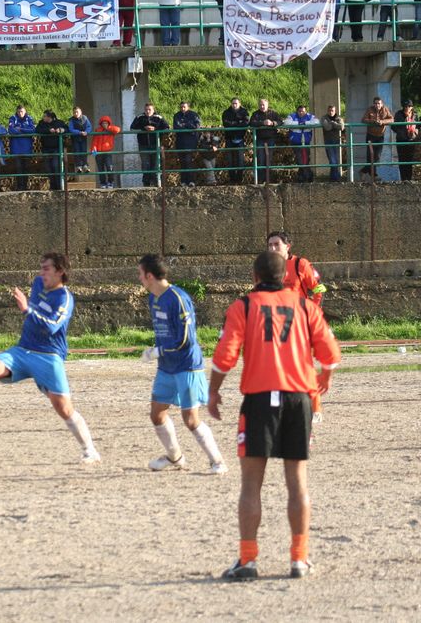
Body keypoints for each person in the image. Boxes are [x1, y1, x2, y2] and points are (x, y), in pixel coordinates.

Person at [208, 251, 340, 581]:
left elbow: (225, 355)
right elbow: (329, 352)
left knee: (251, 485)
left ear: (254, 277)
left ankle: (248, 560)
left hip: (259, 400)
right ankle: (299, 559)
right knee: (297, 482)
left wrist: (213, 391)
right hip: (298, 399)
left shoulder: (243, 306)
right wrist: (325, 376)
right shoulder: (305, 306)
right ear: (286, 277)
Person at [0, 253, 101, 464]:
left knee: (64, 408)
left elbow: (51, 327)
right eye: (41, 268)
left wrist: (27, 309)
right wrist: (29, 309)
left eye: (46, 268)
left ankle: (90, 450)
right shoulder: (38, 283)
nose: (41, 273)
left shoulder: (64, 298)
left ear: (60, 272)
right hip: (22, 351)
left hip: (48, 357)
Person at [137, 255, 226, 474]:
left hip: (187, 365)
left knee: (191, 419)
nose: (139, 278)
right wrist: (158, 351)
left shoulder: (178, 298)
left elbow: (186, 339)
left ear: (149, 276)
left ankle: (217, 461)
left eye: (140, 274)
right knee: (157, 414)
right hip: (166, 366)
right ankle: (174, 457)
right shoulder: (153, 298)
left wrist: (158, 351)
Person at [267, 230, 326, 306]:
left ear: (287, 246)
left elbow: (320, 289)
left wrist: (313, 310)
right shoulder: (265, 266)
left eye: (276, 244)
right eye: (270, 245)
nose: (273, 248)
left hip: (298, 311)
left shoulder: (300, 264)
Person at [130, 102, 168, 187]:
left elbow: (167, 128)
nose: (147, 111)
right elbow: (132, 128)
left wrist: (155, 129)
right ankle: (146, 184)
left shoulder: (159, 117)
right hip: (143, 145)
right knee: (145, 165)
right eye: (146, 109)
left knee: (156, 165)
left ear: (153, 110)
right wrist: (143, 129)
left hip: (156, 145)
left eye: (149, 109)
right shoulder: (139, 117)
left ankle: (156, 183)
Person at [249, 98, 282, 183]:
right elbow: (252, 123)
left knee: (269, 159)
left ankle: (268, 180)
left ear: (267, 105)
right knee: (260, 159)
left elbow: (280, 121)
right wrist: (262, 123)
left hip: (270, 138)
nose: (262, 106)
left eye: (263, 105)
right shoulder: (255, 114)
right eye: (260, 105)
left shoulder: (273, 113)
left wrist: (272, 123)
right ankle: (260, 180)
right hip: (260, 139)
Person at [361, 96, 392, 181]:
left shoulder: (385, 109)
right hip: (370, 136)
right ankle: (373, 175)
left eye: (379, 103)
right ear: (373, 104)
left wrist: (382, 122)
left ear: (382, 104)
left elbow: (392, 119)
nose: (377, 105)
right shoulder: (370, 109)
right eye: (375, 103)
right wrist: (373, 121)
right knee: (370, 156)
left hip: (380, 136)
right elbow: (363, 119)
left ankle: (363, 171)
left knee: (377, 157)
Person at [35, 109, 66, 190]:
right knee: (48, 168)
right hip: (46, 148)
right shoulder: (41, 123)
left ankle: (59, 187)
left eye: (45, 116)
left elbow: (67, 129)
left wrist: (61, 130)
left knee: (56, 166)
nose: (43, 118)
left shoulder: (59, 122)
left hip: (57, 148)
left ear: (49, 117)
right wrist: (48, 131)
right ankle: (53, 187)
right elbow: (37, 130)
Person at [284, 104, 316, 182]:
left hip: (306, 142)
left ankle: (303, 177)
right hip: (296, 142)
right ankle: (307, 177)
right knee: (299, 160)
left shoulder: (309, 116)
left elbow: (316, 122)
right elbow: (286, 122)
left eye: (303, 111)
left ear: (306, 111)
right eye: (300, 111)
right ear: (297, 111)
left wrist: (304, 123)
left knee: (306, 160)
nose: (301, 113)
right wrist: (299, 123)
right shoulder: (292, 116)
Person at [7, 105, 36, 192]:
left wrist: (21, 129)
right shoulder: (13, 118)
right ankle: (20, 187)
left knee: (26, 168)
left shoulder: (29, 119)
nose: (20, 113)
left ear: (25, 111)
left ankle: (25, 186)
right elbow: (11, 130)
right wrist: (24, 130)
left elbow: (33, 130)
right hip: (16, 149)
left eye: (22, 111)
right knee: (18, 168)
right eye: (19, 112)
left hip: (27, 149)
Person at [172, 101, 201, 185]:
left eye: (184, 107)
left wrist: (185, 125)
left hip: (191, 142)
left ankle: (191, 181)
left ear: (188, 107)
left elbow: (196, 126)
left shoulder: (194, 115)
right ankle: (183, 181)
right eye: (181, 107)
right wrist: (188, 126)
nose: (182, 108)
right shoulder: (177, 115)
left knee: (189, 161)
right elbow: (176, 127)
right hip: (180, 142)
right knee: (182, 162)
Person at [222, 97, 250, 183]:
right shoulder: (226, 112)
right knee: (230, 160)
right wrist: (238, 123)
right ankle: (232, 180)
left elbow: (246, 122)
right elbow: (226, 123)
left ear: (239, 104)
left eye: (236, 103)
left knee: (240, 160)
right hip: (229, 138)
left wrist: (233, 124)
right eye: (233, 103)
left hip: (240, 138)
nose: (234, 105)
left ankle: (239, 179)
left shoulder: (244, 112)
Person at [392, 99, 420, 181]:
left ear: (412, 107)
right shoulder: (398, 114)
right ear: (403, 107)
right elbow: (393, 126)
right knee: (402, 160)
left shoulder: (415, 115)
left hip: (411, 140)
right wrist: (400, 132)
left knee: (409, 160)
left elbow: (418, 126)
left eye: (409, 106)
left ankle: (409, 179)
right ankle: (403, 179)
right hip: (401, 140)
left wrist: (415, 132)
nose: (407, 107)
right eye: (406, 106)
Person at [90, 115, 120, 189]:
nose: (104, 124)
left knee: (109, 167)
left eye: (106, 123)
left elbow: (117, 130)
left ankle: (110, 182)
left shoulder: (111, 129)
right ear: (101, 124)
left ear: (108, 123)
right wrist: (93, 149)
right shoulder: (97, 130)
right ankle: (102, 183)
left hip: (107, 152)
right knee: (100, 169)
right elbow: (94, 141)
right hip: (98, 153)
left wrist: (108, 128)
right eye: (103, 123)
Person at [319, 104, 345, 181]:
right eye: (329, 110)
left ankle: (333, 178)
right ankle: (336, 178)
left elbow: (341, 127)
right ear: (327, 111)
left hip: (336, 141)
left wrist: (332, 123)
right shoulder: (324, 118)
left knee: (335, 160)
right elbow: (327, 128)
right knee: (332, 160)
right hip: (328, 141)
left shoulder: (338, 117)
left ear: (335, 111)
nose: (331, 112)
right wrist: (335, 124)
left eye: (332, 110)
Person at [67, 107, 91, 174]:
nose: (76, 113)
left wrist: (86, 132)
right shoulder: (71, 120)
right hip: (75, 139)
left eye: (77, 112)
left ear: (81, 112)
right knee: (76, 151)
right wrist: (79, 132)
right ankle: (78, 166)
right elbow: (71, 129)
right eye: (74, 112)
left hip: (83, 138)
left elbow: (89, 126)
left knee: (84, 151)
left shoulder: (85, 118)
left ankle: (85, 165)